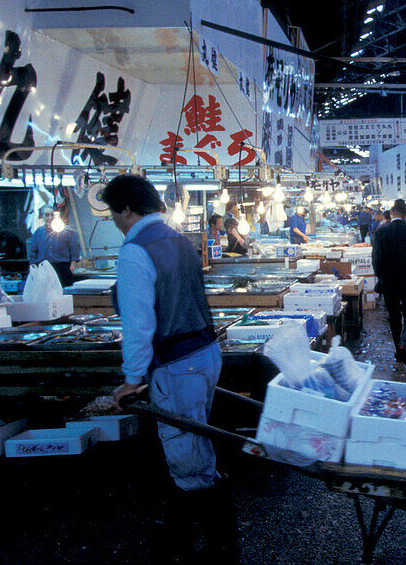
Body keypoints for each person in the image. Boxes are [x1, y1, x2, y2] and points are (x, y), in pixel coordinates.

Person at [101, 175, 236, 562]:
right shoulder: (179, 239)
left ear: (127, 209)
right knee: (195, 446)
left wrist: (131, 380)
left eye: (114, 213)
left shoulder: (135, 251)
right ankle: (190, 540)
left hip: (177, 363)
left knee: (187, 457)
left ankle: (218, 546)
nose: (114, 221)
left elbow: (138, 323)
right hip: (206, 354)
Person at [372, 199, 406, 364]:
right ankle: (403, 344)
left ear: (391, 213)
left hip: (388, 280)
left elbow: (376, 258)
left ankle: (398, 349)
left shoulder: (381, 231)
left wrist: (380, 277)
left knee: (393, 315)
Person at [26, 207, 82, 287]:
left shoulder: (68, 231)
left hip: (62, 268)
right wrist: (33, 266)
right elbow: (33, 251)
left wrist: (72, 265)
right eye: (47, 215)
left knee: (65, 293)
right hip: (44, 268)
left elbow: (74, 250)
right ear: (43, 216)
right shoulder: (38, 232)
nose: (50, 218)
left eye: (52, 215)